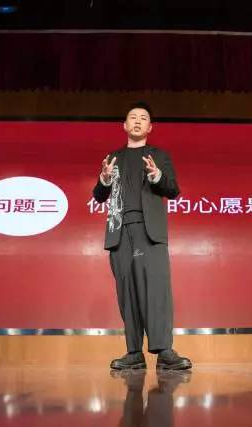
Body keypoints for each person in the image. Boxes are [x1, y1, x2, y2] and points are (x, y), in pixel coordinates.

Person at [93, 102, 192, 371]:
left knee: (157, 290)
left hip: (151, 232)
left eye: (143, 118)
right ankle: (134, 353)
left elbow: (173, 190)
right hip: (120, 232)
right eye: (133, 117)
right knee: (127, 292)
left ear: (150, 127)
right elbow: (99, 195)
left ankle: (164, 351)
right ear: (124, 125)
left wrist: (157, 175)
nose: (137, 121)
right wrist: (104, 179)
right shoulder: (113, 158)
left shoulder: (159, 155)